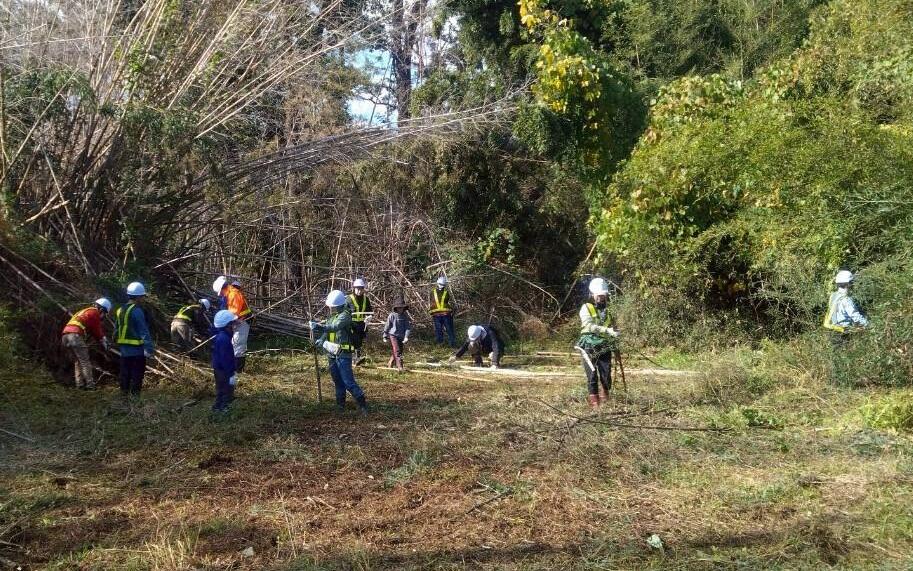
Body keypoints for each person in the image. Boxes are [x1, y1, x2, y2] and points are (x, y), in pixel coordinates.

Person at [311, 289, 368, 414]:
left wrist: (319, 326)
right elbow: (328, 331)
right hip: (331, 353)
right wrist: (321, 340)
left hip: (343, 354)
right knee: (337, 381)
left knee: (348, 382)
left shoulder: (345, 316)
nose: (331, 309)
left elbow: (335, 327)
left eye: (333, 306)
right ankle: (340, 406)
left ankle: (363, 404)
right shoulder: (332, 317)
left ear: (339, 305)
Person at [575, 277, 619, 409]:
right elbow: (589, 326)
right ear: (592, 295)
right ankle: (595, 404)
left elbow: (612, 328)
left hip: (604, 345)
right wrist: (607, 330)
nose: (601, 298)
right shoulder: (586, 308)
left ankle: (606, 397)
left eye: (603, 295)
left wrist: (615, 336)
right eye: (599, 295)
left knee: (606, 376)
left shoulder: (609, 312)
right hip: (588, 346)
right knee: (592, 375)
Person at [61, 298, 112, 390]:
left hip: (65, 336)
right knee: (85, 361)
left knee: (78, 361)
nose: (103, 316)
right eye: (104, 314)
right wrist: (104, 341)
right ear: (101, 309)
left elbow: (92, 330)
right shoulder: (95, 313)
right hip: (75, 336)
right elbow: (97, 330)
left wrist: (100, 339)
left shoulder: (85, 311)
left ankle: (79, 385)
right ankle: (90, 386)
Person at [115, 282, 154, 399]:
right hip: (137, 350)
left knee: (125, 374)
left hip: (124, 350)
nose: (143, 298)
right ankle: (135, 399)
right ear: (137, 297)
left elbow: (116, 329)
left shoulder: (120, 310)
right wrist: (148, 348)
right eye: (142, 296)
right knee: (137, 375)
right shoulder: (137, 311)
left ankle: (123, 397)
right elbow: (144, 331)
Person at [213, 276, 251, 373]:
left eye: (220, 292)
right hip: (237, 322)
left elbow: (234, 313)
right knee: (234, 345)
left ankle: (238, 371)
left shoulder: (233, 294)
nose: (220, 295)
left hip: (242, 321)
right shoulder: (229, 295)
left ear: (223, 288)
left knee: (238, 345)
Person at [823, 270, 869, 337]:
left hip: (831, 330)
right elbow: (855, 316)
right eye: (852, 282)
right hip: (842, 333)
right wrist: (868, 325)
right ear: (848, 284)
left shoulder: (833, 295)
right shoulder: (846, 299)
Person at [211, 310, 238, 413]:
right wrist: (231, 373)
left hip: (219, 369)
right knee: (226, 389)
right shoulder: (224, 339)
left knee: (220, 389)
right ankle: (223, 408)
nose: (234, 325)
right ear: (227, 325)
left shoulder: (220, 335)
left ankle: (217, 406)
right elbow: (225, 358)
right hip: (224, 370)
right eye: (232, 323)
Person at [347, 277, 373, 365]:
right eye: (357, 289)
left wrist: (369, 317)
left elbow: (370, 311)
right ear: (354, 288)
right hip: (352, 324)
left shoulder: (366, 299)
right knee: (354, 340)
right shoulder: (349, 299)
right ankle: (353, 358)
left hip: (362, 324)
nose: (359, 291)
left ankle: (357, 358)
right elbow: (345, 312)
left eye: (361, 289)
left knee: (360, 341)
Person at [382, 294, 411, 371]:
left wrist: (406, 336)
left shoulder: (405, 316)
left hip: (401, 337)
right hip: (393, 335)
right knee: (397, 350)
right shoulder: (392, 315)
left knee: (399, 350)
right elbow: (387, 325)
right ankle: (400, 366)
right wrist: (385, 335)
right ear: (396, 308)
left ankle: (390, 363)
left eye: (402, 307)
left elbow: (407, 327)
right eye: (399, 307)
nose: (400, 309)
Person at [430, 275, 456, 347]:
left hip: (438, 315)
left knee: (440, 330)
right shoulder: (446, 292)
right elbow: (446, 300)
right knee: (448, 329)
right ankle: (451, 344)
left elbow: (432, 302)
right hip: (445, 314)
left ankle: (441, 344)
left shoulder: (432, 292)